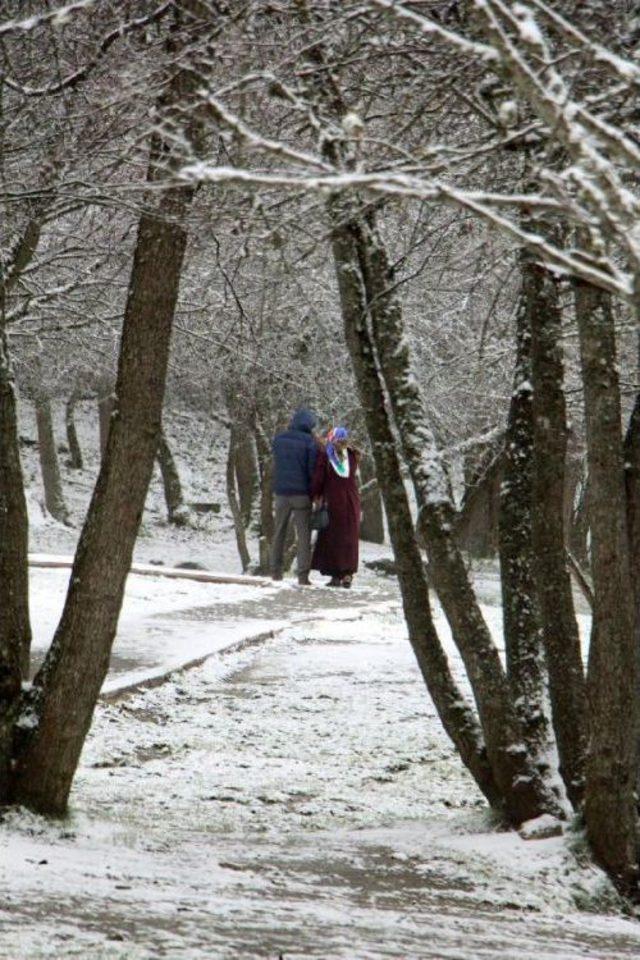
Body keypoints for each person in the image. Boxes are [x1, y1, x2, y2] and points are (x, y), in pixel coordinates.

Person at [271, 408, 318, 586]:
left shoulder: (279, 439)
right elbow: (311, 469)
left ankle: (275, 571)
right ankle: (302, 575)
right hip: (301, 494)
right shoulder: (309, 442)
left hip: (281, 493)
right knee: (304, 536)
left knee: (279, 532)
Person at [310, 426, 361, 588]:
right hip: (352, 500)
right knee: (349, 536)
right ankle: (347, 573)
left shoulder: (326, 456)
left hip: (333, 500)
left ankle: (335, 576)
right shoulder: (352, 455)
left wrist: (313, 495)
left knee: (333, 536)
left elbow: (319, 478)